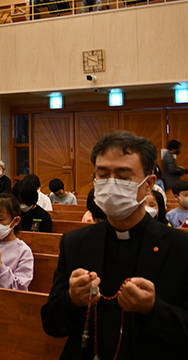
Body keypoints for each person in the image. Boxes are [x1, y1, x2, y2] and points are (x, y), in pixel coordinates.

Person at [42, 130, 188, 358]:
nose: (111, 184)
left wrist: (153, 310)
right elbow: (51, 324)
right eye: (103, 175)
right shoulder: (75, 242)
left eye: (123, 176)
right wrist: (72, 301)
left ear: (149, 184)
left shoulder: (181, 246)